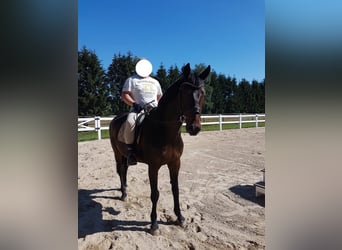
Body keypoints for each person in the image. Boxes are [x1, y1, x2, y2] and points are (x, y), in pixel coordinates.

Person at [121, 58, 162, 165]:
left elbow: (159, 96)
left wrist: (157, 107)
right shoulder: (132, 80)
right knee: (130, 122)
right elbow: (125, 94)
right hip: (137, 109)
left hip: (154, 110)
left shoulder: (155, 82)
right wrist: (134, 104)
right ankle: (130, 151)